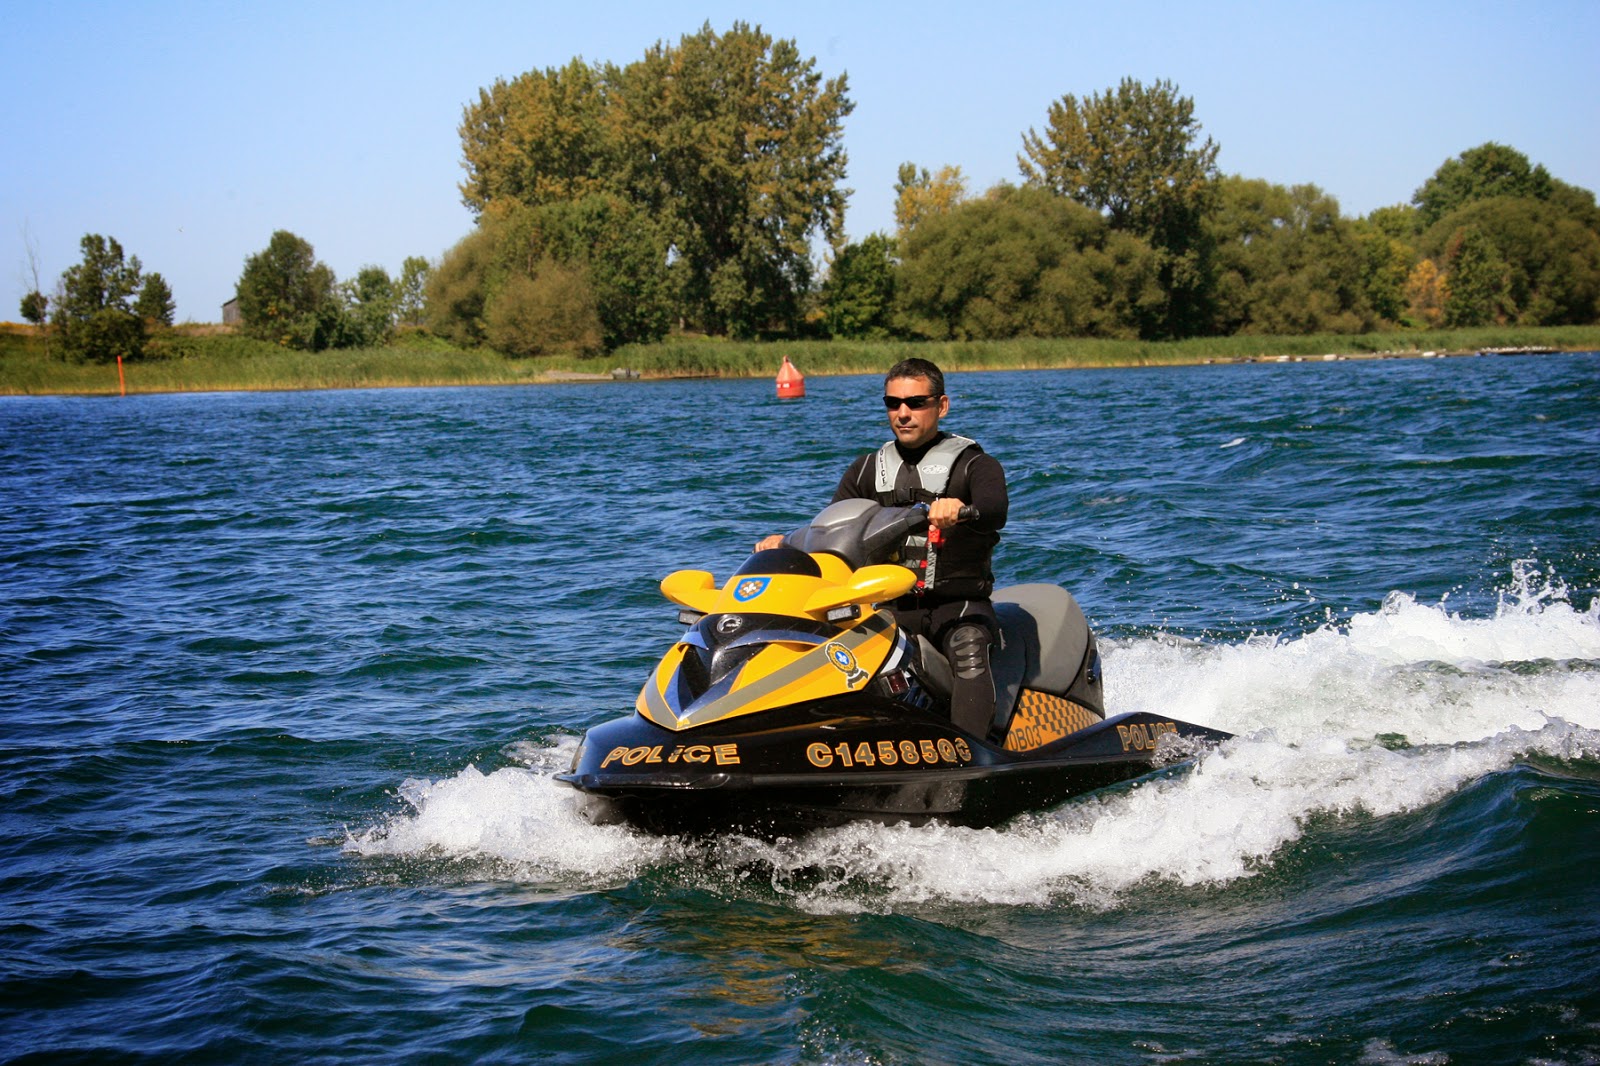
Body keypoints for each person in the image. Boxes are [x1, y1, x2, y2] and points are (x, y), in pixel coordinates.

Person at [756, 357, 1008, 736]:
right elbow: (830, 530)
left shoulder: (975, 466)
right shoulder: (865, 471)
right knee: (826, 646)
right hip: (886, 607)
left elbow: (995, 509)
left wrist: (959, 508)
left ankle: (973, 756)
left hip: (956, 606)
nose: (903, 413)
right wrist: (785, 543)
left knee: (969, 647)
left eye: (916, 403)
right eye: (893, 404)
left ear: (941, 406)